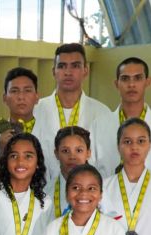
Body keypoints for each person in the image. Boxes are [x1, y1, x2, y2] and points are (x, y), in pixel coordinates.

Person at [33, 43, 110, 177]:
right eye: (62, 66)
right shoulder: (36, 110)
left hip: (87, 192)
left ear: (85, 71)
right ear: (53, 72)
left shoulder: (102, 113)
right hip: (44, 193)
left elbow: (106, 163)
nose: (68, 72)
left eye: (75, 66)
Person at [95, 57, 151, 181]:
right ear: (116, 84)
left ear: (148, 82)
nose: (131, 84)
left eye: (138, 78)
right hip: (107, 197)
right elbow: (92, 168)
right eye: (125, 79)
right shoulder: (100, 124)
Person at [46, 126, 92, 220]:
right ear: (56, 154)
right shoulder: (46, 193)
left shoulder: (100, 191)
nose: (72, 157)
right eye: (65, 151)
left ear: (88, 153)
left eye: (79, 150)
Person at [0, 67, 44, 152]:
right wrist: (2, 152)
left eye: (27, 90)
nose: (21, 97)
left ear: (37, 97)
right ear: (4, 98)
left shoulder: (51, 135)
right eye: (14, 91)